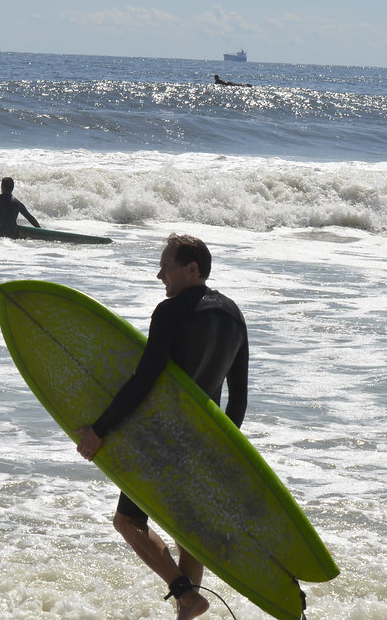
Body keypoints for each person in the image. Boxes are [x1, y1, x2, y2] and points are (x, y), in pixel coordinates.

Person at [74, 234, 249, 620]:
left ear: (191, 269)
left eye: (166, 267)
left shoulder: (170, 312)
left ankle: (185, 594)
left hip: (158, 441)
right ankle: (187, 610)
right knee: (188, 533)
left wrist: (99, 430)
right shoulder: (234, 315)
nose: (159, 275)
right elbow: (238, 398)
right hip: (203, 445)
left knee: (128, 522)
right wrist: (224, 448)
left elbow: (144, 379)